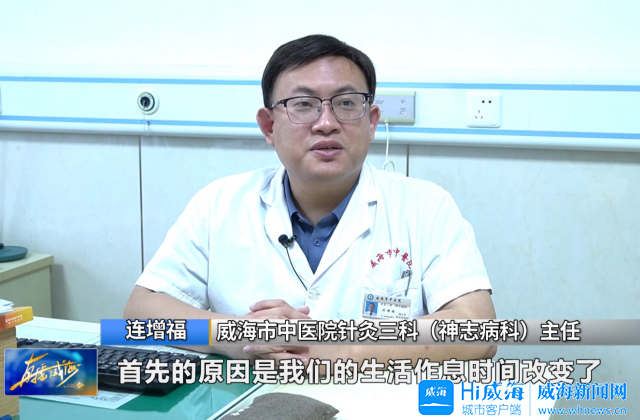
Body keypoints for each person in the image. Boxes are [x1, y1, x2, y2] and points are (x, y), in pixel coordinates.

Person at [124, 34, 496, 365]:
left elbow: (478, 329)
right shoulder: (219, 204)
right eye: (303, 104)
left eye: (346, 103)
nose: (326, 123)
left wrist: (343, 349)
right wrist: (233, 336)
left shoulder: (425, 207)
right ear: (269, 126)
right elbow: (140, 312)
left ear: (371, 121)